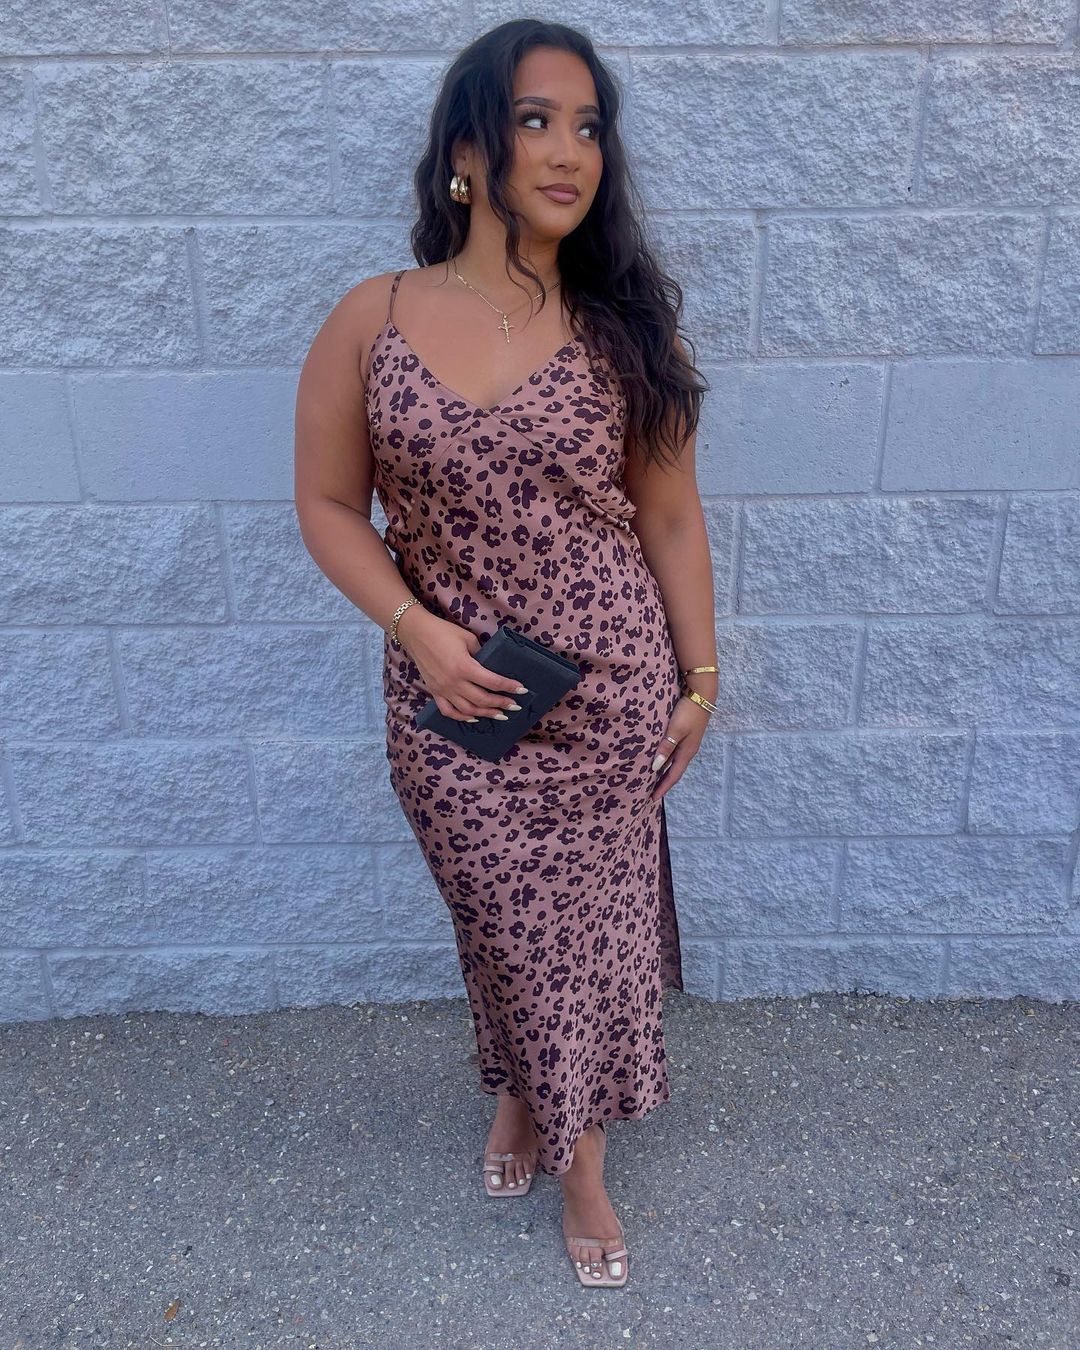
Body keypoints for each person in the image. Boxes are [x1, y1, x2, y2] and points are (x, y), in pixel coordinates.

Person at [294, 18, 717, 1289]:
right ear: (468, 150)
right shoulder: (373, 317)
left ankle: (572, 1154)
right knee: (504, 925)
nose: (569, 151)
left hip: (609, 696)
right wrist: (416, 629)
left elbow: (670, 518)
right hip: (457, 703)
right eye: (537, 120)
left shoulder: (619, 328)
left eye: (589, 127)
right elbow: (328, 506)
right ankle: (530, 1093)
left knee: (587, 935)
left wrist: (700, 679)